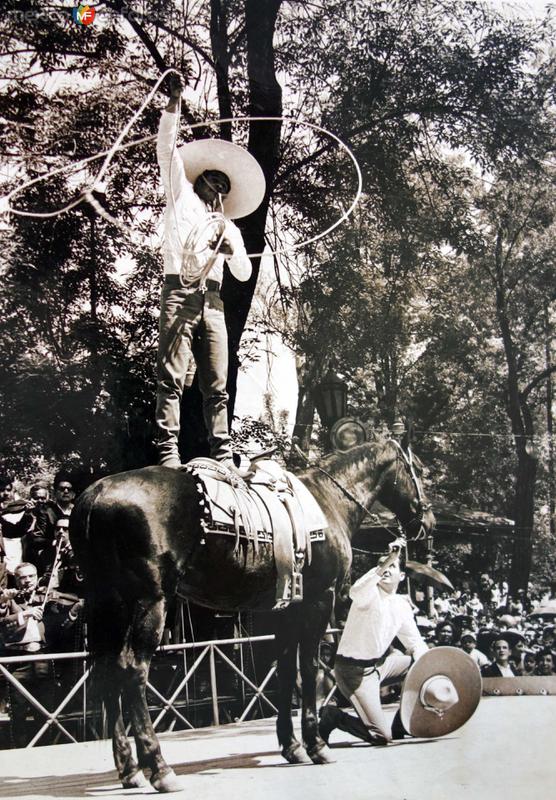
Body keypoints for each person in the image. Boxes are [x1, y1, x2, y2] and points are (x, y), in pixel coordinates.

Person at [154, 73, 265, 468]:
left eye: (223, 185)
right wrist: (174, 105)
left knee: (217, 381)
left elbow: (242, 274)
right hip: (180, 291)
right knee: (172, 372)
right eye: (212, 180)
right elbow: (167, 150)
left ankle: (221, 451)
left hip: (213, 301)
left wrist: (233, 246)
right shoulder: (180, 198)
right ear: (198, 180)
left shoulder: (228, 225)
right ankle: (169, 451)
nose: (217, 188)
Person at [318, 537, 428, 746]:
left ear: (402, 576)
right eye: (381, 565)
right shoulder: (368, 594)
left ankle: (402, 721)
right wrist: (389, 558)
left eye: (392, 566)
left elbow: (415, 643)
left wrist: (428, 667)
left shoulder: (402, 605)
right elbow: (355, 590)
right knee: (381, 737)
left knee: (420, 664)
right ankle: (332, 716)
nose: (386, 569)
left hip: (379, 666)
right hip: (352, 672)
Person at [0, 563, 52, 747]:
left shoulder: (45, 596)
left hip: (41, 659)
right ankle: (20, 752)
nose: (27, 580)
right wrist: (25, 613)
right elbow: (3, 623)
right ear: (16, 579)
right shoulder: (9, 599)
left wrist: (72, 613)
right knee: (18, 711)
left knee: (45, 710)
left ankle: (45, 750)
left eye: (31, 576)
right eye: (23, 577)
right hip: (18, 661)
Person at [0, 475, 35, 588]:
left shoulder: (18, 506)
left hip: (12, 549)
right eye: (1, 490)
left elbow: (15, 530)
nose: (6, 493)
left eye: (8, 490)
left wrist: (27, 514)